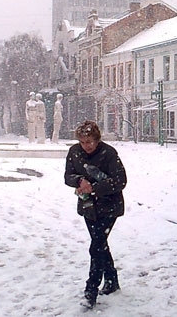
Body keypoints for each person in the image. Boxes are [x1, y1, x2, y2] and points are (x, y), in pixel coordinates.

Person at [64, 120, 127, 309]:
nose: (86, 146)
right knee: (100, 245)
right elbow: (68, 176)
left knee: (96, 247)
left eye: (90, 142)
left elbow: (121, 180)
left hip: (109, 207)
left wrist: (95, 188)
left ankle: (90, 291)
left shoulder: (108, 153)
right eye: (83, 142)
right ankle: (111, 281)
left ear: (97, 139)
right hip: (88, 207)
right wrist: (80, 180)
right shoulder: (74, 152)